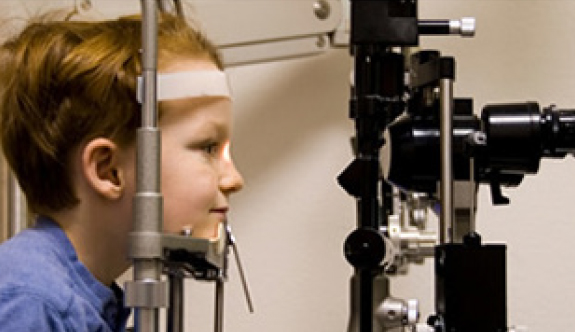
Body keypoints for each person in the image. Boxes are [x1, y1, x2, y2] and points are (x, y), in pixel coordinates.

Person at [0, 10, 244, 332]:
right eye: (209, 147)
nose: (235, 179)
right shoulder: (32, 303)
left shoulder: (88, 302)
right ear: (108, 171)